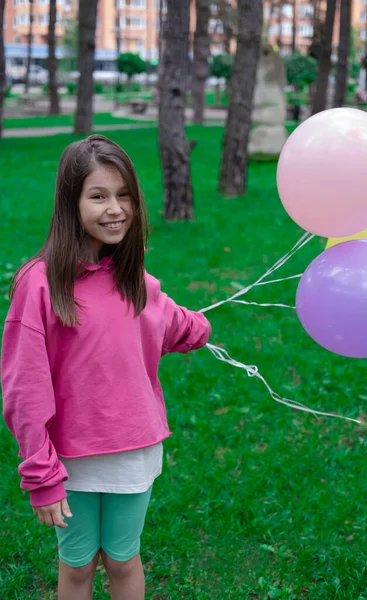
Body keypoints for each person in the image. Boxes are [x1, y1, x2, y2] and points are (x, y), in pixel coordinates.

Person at [1, 135, 211, 600]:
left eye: (124, 196)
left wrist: (200, 328)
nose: (115, 208)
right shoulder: (39, 285)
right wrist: (41, 474)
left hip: (133, 450)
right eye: (98, 196)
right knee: (77, 566)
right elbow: (24, 387)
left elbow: (173, 324)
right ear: (70, 203)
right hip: (69, 458)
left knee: (123, 559)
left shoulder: (137, 281)